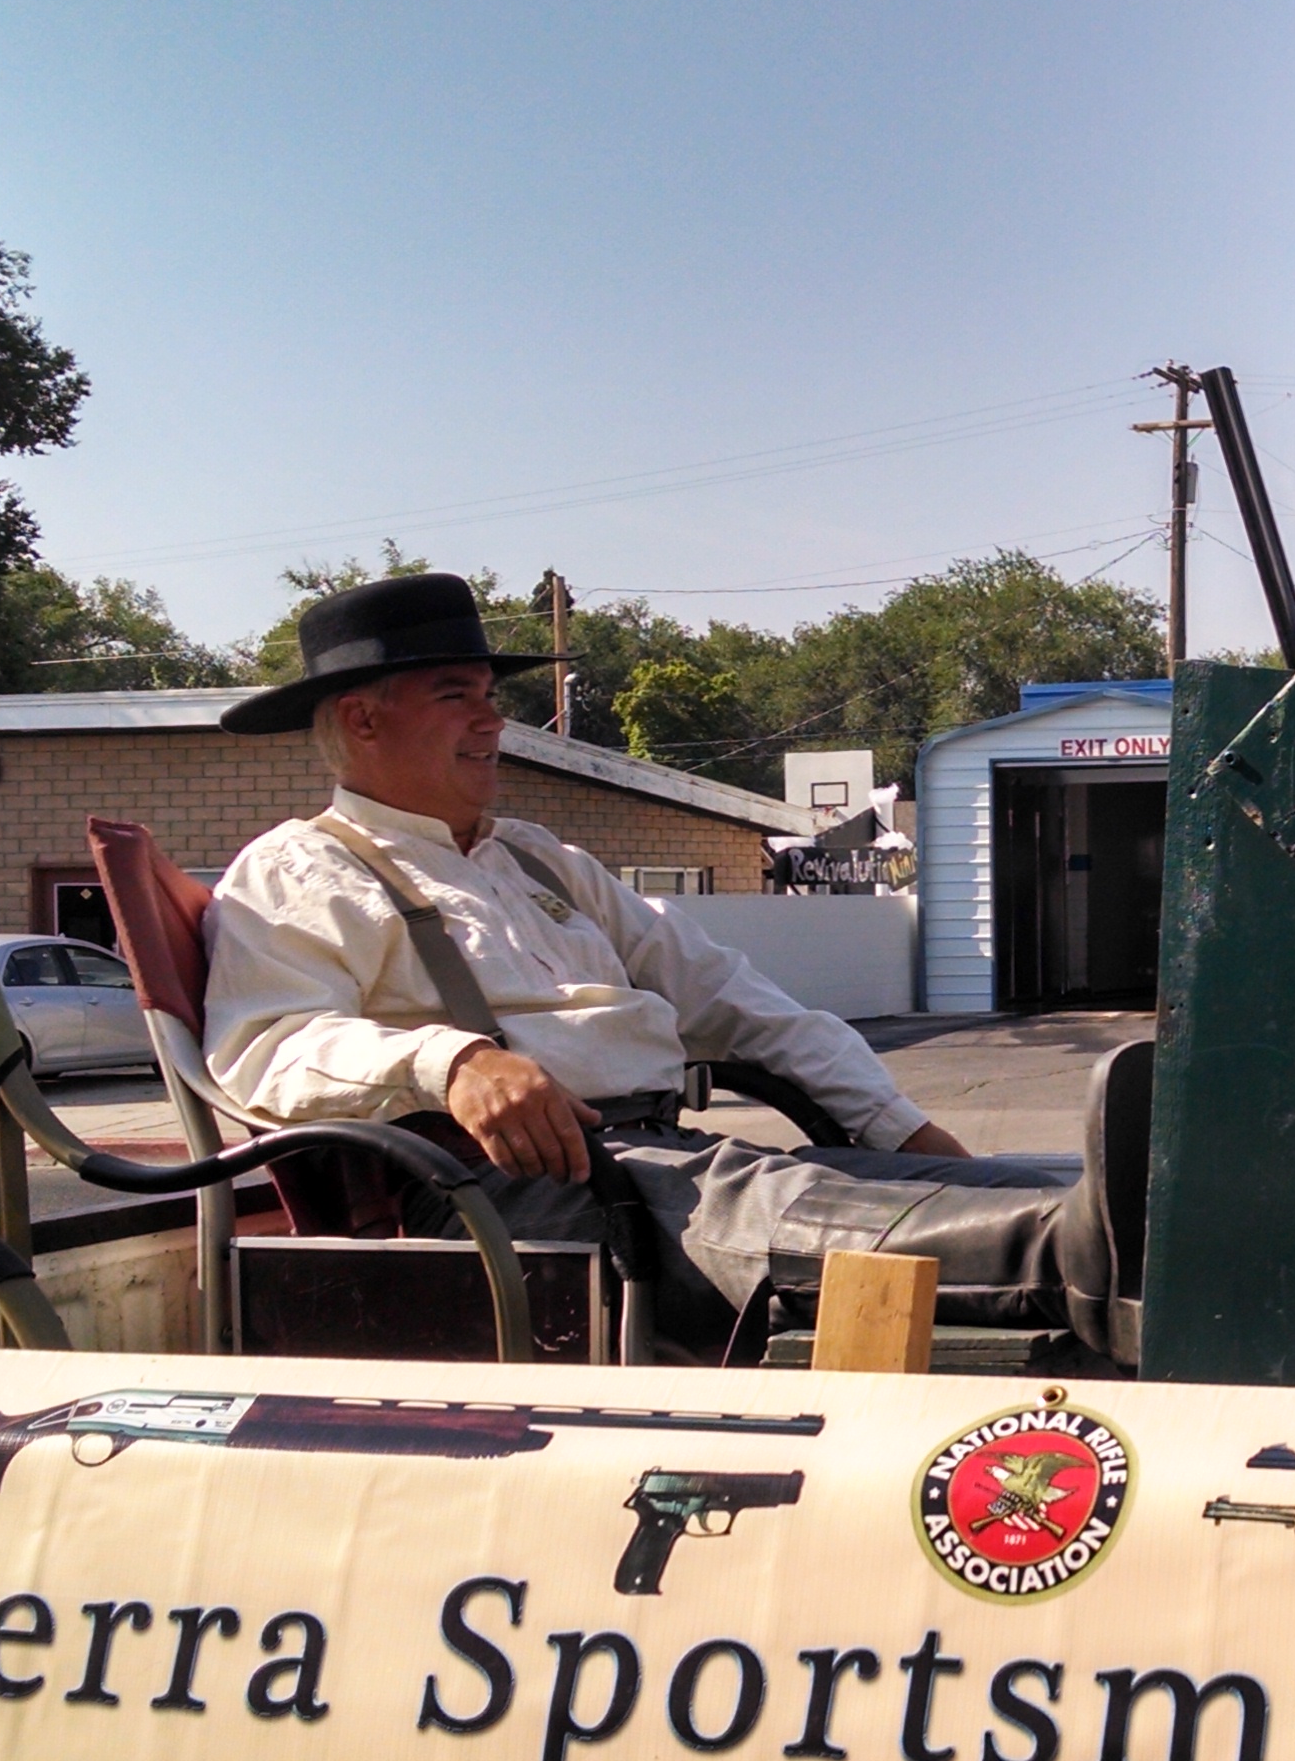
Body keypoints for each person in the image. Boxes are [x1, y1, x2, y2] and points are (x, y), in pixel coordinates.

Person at [202, 572, 1109, 1355]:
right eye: (456, 696)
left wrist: (898, 1128)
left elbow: (728, 996)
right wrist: (453, 1063)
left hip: (668, 1168)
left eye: (491, 695)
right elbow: (265, 1044)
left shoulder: (537, 859)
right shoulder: (298, 867)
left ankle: (1121, 1215)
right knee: (1039, 1237)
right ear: (363, 719)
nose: (494, 721)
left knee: (1056, 1184)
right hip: (513, 1202)